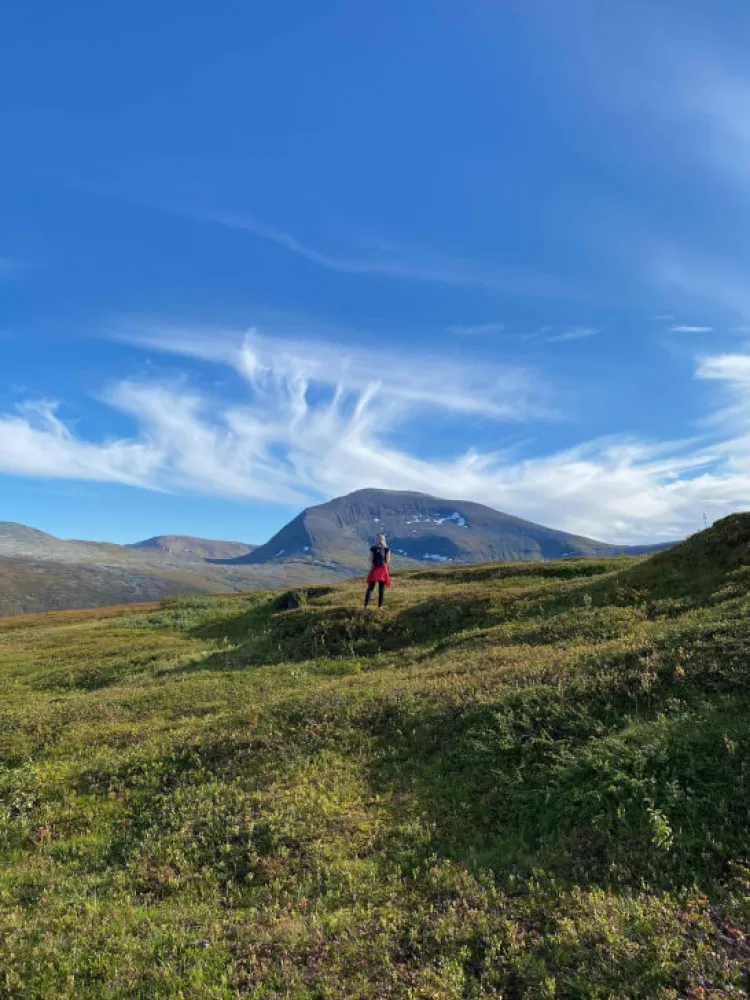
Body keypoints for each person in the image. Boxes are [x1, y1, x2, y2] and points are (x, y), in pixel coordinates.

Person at [364, 532, 391, 608]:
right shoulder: (386, 549)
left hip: (374, 569)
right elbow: (387, 560)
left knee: (370, 588)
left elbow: (370, 558)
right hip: (382, 570)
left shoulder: (373, 548)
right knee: (381, 590)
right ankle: (380, 606)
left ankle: (366, 605)